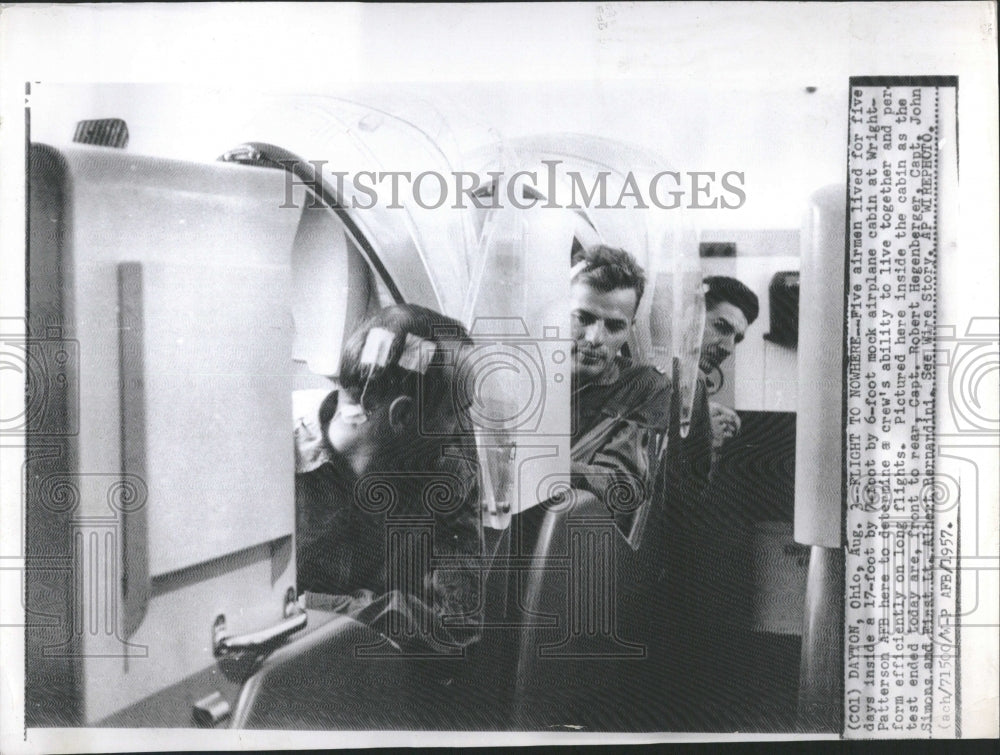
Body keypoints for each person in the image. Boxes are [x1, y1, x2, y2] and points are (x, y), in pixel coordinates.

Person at [293, 303, 483, 652]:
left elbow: (460, 627)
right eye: (457, 412)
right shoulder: (277, 465)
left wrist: (332, 611)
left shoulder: (449, 471)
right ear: (404, 416)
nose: (461, 429)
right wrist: (380, 611)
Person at [569, 244, 671, 516]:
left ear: (630, 330)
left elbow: (624, 485)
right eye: (583, 318)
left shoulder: (646, 387)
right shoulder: (521, 378)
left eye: (614, 326)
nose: (595, 339)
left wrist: (540, 467)